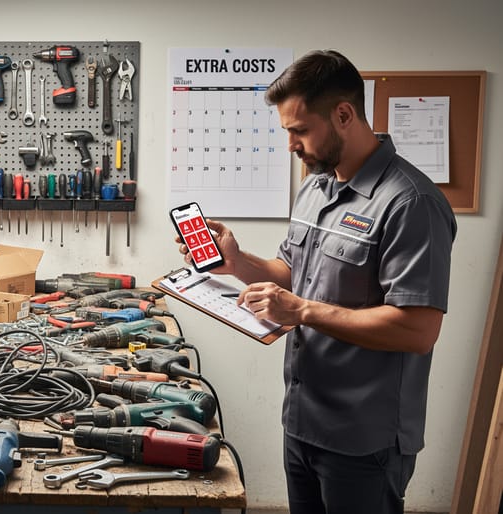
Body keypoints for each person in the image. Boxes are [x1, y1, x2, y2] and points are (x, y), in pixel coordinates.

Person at [177, 50, 456, 514]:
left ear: (343, 114)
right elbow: (294, 274)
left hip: (364, 437)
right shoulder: (316, 186)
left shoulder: (411, 203)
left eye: (299, 130)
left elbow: (418, 329)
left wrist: (302, 311)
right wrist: (237, 261)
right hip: (303, 420)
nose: (290, 144)